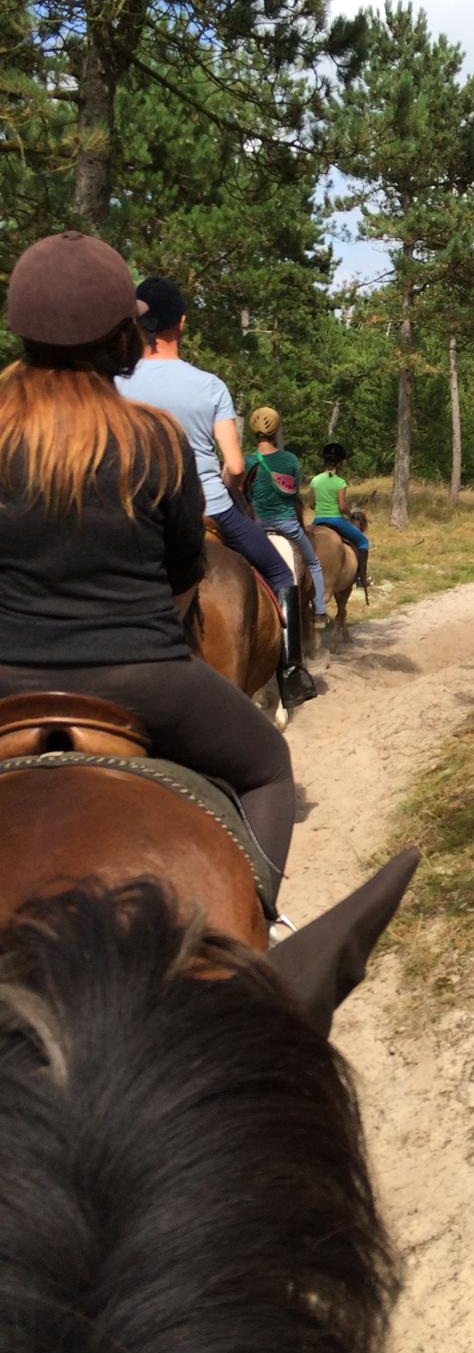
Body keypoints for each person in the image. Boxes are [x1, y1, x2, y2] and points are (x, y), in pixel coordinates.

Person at [0, 230, 296, 894]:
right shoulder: (154, 440)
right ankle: (261, 926)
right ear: (122, 338)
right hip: (143, 678)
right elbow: (184, 570)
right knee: (269, 767)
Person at [117, 276, 315, 708]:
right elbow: (237, 465)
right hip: (210, 507)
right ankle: (291, 672)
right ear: (181, 324)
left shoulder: (116, 383)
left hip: (136, 513)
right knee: (282, 574)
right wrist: (227, 481)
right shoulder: (209, 386)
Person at [246, 407, 327, 626]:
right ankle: (320, 611)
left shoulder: (248, 462)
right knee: (313, 563)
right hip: (288, 525)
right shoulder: (290, 460)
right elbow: (294, 495)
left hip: (257, 527)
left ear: (253, 430)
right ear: (276, 430)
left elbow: (245, 495)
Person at [309, 443, 370, 590]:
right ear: (340, 463)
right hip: (336, 520)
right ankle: (361, 578)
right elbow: (342, 507)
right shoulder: (340, 482)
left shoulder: (315, 480)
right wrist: (351, 514)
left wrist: (321, 509)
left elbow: (311, 504)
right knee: (363, 542)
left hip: (317, 520)